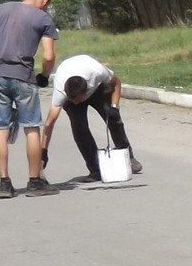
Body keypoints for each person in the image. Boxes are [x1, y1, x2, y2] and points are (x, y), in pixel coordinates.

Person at [0, 0, 59, 198]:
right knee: (31, 128)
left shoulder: (1, 9)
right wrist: (44, 76)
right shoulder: (43, 18)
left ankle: (5, 184)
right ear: (44, 1)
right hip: (23, 77)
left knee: (0, 129)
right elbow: (48, 56)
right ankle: (34, 182)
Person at [46, 53, 141, 181]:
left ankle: (128, 156)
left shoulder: (98, 73)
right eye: (71, 100)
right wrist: (43, 150)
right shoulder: (61, 92)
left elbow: (116, 83)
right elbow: (49, 123)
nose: (75, 103)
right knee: (80, 129)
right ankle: (95, 169)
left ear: (85, 92)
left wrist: (114, 107)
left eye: (76, 100)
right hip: (73, 86)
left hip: (97, 89)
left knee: (113, 118)